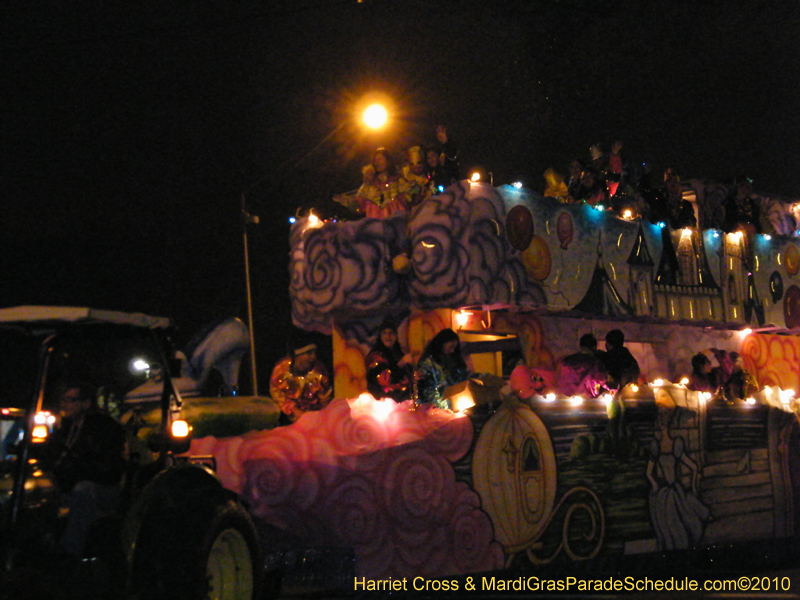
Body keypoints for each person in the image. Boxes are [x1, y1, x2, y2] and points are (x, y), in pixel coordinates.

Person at [49, 382, 128, 558]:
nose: (64, 404)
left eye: (70, 400)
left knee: (84, 490)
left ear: (85, 404)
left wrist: (74, 470)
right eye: (63, 399)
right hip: (70, 487)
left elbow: (109, 469)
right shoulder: (65, 428)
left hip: (104, 489)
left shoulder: (104, 427)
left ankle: (69, 551)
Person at [339, 148, 412, 219]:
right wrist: (354, 204)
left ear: (388, 161)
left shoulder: (398, 180)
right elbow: (359, 203)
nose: (377, 162)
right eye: (375, 160)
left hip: (397, 223)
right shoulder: (369, 184)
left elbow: (409, 197)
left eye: (380, 159)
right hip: (376, 226)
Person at [270, 341, 333, 423]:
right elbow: (277, 394)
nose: (313, 357)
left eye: (314, 353)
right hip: (287, 420)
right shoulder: (281, 369)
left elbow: (325, 401)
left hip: (315, 420)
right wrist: (294, 411)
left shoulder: (320, 373)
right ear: (297, 355)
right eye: (309, 353)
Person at [416, 328, 469, 410]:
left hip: (455, 405)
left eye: (454, 348)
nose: (452, 351)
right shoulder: (428, 363)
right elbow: (428, 390)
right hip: (433, 409)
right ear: (442, 344)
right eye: (451, 347)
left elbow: (463, 379)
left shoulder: (452, 360)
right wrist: (442, 407)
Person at [365, 319, 414, 402]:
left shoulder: (399, 353)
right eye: (384, 333)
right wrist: (401, 363)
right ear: (380, 336)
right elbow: (385, 380)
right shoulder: (375, 356)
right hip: (383, 403)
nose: (388, 336)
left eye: (391, 333)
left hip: (403, 402)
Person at [557, 333, 607, 398]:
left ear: (580, 346)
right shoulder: (595, 362)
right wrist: (613, 388)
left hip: (565, 400)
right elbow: (602, 379)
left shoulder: (566, 361)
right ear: (594, 347)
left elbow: (560, 380)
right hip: (587, 401)